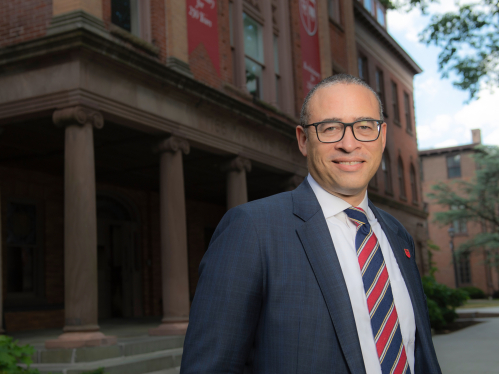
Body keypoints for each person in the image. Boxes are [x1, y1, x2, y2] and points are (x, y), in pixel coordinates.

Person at [180, 74, 441, 374]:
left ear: (381, 138)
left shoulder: (398, 235)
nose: (349, 144)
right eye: (330, 128)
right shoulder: (252, 229)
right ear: (304, 140)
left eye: (364, 127)